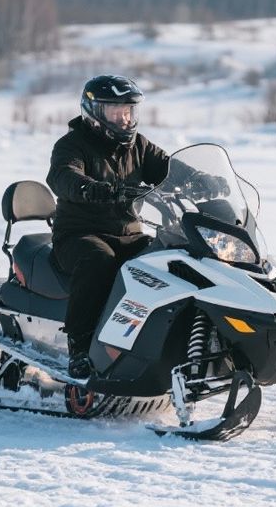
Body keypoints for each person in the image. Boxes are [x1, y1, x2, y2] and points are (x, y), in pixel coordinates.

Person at [46, 74, 225, 378]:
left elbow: (168, 167)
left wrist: (200, 180)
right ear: (94, 113)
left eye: (129, 111)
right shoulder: (71, 145)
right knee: (98, 261)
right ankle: (80, 348)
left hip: (128, 234)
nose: (125, 118)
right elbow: (63, 176)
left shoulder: (138, 146)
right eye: (117, 111)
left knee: (172, 259)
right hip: (79, 235)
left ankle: (165, 341)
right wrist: (92, 188)